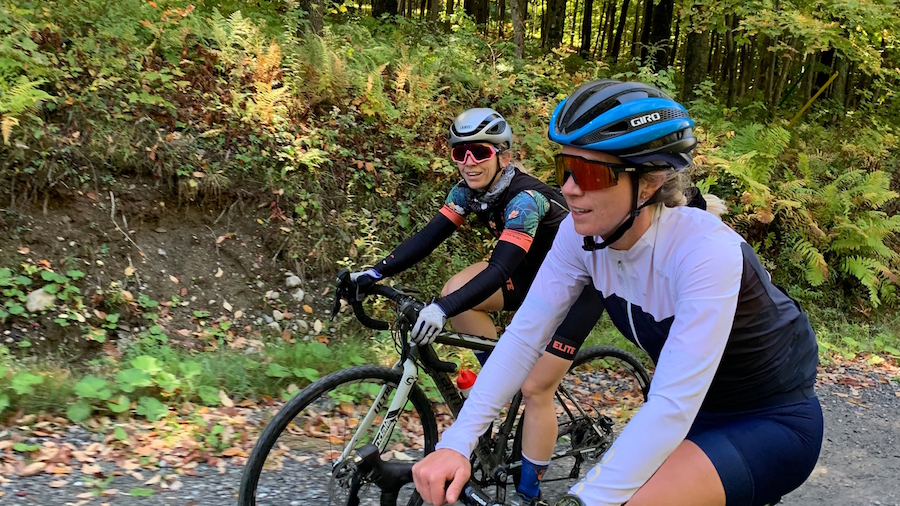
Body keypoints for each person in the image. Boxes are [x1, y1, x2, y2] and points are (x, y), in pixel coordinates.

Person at [411, 80, 823, 506]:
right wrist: (456, 442)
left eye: (589, 173)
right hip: (690, 419)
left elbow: (669, 402)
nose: (570, 188)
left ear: (647, 184)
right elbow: (523, 338)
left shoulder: (706, 252)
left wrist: (582, 500)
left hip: (768, 420)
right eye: (565, 168)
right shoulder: (579, 234)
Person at [350, 107, 606, 503]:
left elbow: (500, 266)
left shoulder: (525, 199)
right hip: (529, 278)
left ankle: (528, 493)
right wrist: (374, 272)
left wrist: (442, 310)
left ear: (502, 154)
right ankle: (498, 386)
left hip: (578, 287)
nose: (469, 163)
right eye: (460, 153)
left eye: (480, 152)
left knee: (537, 387)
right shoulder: (467, 192)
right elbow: (428, 237)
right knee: (456, 289)